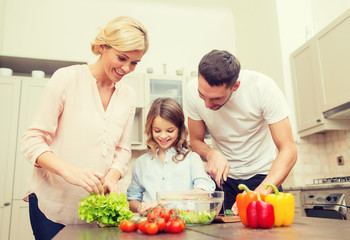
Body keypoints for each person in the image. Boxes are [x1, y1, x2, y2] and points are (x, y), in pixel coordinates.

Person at [21, 16, 149, 240]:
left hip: (95, 211)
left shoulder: (128, 95)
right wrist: (68, 170)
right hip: (52, 205)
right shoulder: (66, 79)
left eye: (135, 62)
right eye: (122, 58)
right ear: (102, 47)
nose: (127, 68)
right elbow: (32, 140)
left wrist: (112, 177)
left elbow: (122, 150)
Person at [185, 50, 297, 215]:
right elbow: (195, 141)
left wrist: (261, 192)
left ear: (235, 86)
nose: (207, 105)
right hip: (222, 180)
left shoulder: (262, 88)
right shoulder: (191, 90)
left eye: (216, 99)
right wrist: (211, 153)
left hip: (264, 178)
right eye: (202, 95)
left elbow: (288, 149)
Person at [127, 97, 215, 213]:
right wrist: (141, 207)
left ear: (179, 129)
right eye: (157, 131)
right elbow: (132, 199)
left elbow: (205, 191)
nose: (163, 136)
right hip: (153, 224)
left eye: (170, 131)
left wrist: (165, 199)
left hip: (185, 225)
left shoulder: (191, 159)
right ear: (150, 129)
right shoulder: (140, 163)